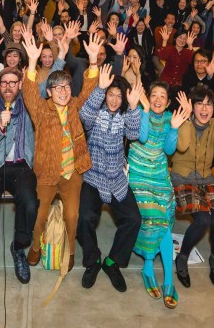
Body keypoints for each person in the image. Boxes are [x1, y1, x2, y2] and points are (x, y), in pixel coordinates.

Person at [21, 31, 101, 270]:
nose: (63, 91)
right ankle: (35, 247)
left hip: (71, 173)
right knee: (39, 216)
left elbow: (89, 90)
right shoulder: (40, 110)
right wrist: (32, 62)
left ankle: (71, 250)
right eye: (58, 88)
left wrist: (93, 61)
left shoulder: (75, 105)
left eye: (66, 87)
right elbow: (28, 92)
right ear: (49, 92)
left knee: (72, 217)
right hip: (46, 173)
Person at [77, 73, 144, 292]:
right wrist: (99, 89)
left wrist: (133, 107)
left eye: (119, 96)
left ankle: (112, 261)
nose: (114, 100)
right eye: (110, 94)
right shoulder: (96, 112)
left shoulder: (125, 115)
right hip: (93, 176)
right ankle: (93, 260)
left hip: (116, 177)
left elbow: (133, 135)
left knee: (133, 219)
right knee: (85, 217)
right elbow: (84, 116)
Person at [128, 84, 190, 309]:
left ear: (168, 102)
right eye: (153, 95)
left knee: (164, 219)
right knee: (153, 217)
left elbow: (170, 150)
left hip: (160, 175)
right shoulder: (138, 111)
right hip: (138, 173)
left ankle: (168, 279)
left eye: (162, 96)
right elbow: (142, 137)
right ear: (147, 97)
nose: (157, 99)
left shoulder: (171, 118)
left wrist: (174, 128)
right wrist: (144, 110)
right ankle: (148, 266)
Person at [0, 66, 38, 284]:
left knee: (30, 202)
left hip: (21, 165)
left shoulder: (30, 106)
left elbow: (47, 90)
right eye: (4, 83)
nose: (8, 87)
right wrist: (0, 127)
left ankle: (19, 247)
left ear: (20, 85)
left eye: (13, 82)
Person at [171, 86, 214, 289]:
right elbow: (181, 146)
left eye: (209, 104)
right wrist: (186, 118)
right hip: (183, 177)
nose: (204, 109)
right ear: (192, 106)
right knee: (202, 219)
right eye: (199, 104)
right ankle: (182, 257)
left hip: (206, 177)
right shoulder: (183, 120)